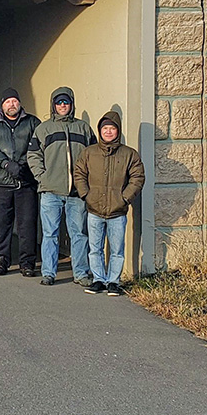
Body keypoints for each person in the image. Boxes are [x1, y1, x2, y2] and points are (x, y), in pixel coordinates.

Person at [27, 86, 95, 287]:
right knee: (50, 234)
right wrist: (42, 177)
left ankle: (81, 273)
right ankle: (49, 272)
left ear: (71, 105)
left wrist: (86, 182)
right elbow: (33, 155)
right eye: (59, 102)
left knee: (79, 234)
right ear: (53, 105)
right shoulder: (44, 129)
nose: (62, 106)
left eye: (66, 102)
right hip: (51, 191)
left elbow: (93, 156)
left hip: (77, 192)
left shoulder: (83, 128)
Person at [72, 111, 145, 296]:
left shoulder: (129, 154)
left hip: (117, 211)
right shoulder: (89, 153)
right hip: (94, 209)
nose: (108, 132)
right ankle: (98, 279)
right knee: (95, 249)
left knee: (117, 250)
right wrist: (86, 195)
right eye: (105, 128)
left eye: (112, 128)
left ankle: (113, 281)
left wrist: (124, 198)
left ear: (118, 131)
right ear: (100, 131)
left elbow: (137, 177)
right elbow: (79, 173)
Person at [0, 87, 41, 277]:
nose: (11, 105)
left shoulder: (32, 123)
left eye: (14, 101)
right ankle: (1, 260)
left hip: (26, 182)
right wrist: (6, 164)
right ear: (2, 104)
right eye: (8, 101)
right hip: (0, 182)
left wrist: (24, 166)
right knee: (1, 225)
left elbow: (38, 147)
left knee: (27, 225)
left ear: (20, 103)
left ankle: (27, 262)